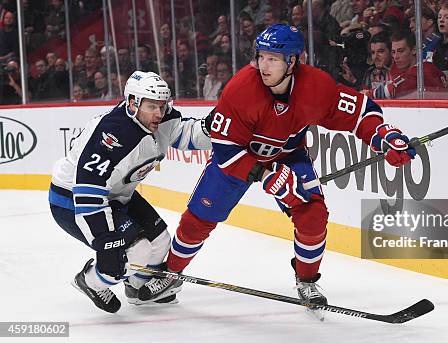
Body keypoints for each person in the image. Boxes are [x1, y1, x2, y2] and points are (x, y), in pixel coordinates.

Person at [145, 24, 416, 308]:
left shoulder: (316, 86)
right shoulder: (239, 90)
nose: (264, 65)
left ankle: (307, 281)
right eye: (261, 56)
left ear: (293, 61)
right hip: (239, 158)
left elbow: (361, 113)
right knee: (198, 218)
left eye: (273, 58)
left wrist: (384, 135)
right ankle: (172, 272)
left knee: (313, 214)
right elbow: (226, 151)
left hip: (288, 154)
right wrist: (264, 174)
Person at [48, 71, 212, 313]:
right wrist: (104, 240)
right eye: (152, 106)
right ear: (133, 103)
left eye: (162, 105)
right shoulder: (111, 136)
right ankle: (90, 280)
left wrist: (214, 128)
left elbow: (185, 134)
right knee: (137, 250)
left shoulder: (160, 118)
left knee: (160, 241)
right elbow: (87, 192)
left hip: (117, 194)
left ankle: (136, 289)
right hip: (71, 200)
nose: (159, 113)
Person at [369, 31, 448, 99]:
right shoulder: (400, 70)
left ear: (414, 50)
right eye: (393, 52)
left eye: (401, 51)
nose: (396, 56)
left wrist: (368, 94)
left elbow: (390, 90)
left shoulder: (422, 70)